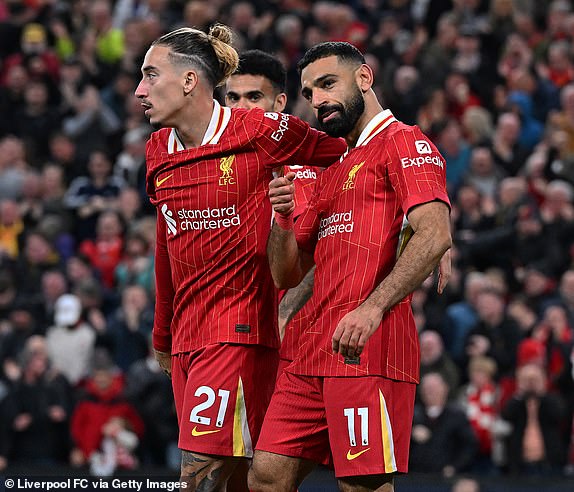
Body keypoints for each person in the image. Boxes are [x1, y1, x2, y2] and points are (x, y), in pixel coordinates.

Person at [135, 25, 346, 491]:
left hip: (239, 331)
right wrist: (163, 333)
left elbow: (349, 150)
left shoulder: (259, 131)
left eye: (150, 75)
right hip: (188, 339)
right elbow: (165, 243)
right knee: (234, 482)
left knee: (197, 480)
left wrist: (416, 212)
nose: (139, 89)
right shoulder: (156, 152)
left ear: (189, 82)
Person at [250, 42, 451, 492]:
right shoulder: (333, 164)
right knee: (265, 475)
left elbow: (435, 233)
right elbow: (287, 276)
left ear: (364, 78)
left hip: (369, 350)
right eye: (309, 92)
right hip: (309, 350)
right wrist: (282, 218)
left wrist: (372, 308)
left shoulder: (404, 141)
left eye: (327, 84)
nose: (318, 100)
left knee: (361, 486)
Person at [224, 49, 320, 373]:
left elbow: (324, 255)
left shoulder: (307, 171)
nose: (241, 108)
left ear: (279, 104)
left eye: (254, 97)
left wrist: (422, 218)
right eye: (232, 98)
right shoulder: (208, 173)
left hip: (296, 345)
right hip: (227, 342)